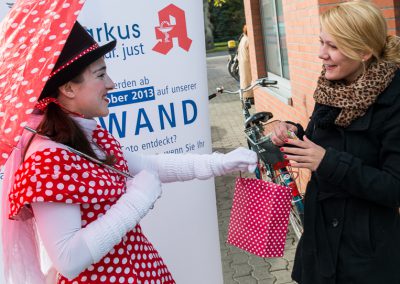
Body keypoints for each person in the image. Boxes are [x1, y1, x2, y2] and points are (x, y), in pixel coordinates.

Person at [1, 22, 258, 284]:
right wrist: (136, 200)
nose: (111, 84)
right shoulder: (47, 160)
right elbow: (68, 259)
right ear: (68, 88)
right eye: (100, 75)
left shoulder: (88, 135)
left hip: (143, 271)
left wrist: (221, 162)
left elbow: (152, 167)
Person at [271, 2, 400, 283]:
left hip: (365, 258)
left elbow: (394, 187)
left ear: (363, 51)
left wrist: (327, 161)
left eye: (332, 46)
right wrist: (292, 133)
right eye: (321, 42)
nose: (321, 54)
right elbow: (319, 143)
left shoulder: (394, 101)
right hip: (319, 246)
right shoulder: (330, 89)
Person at [237, 25, 254, 101]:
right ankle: (249, 97)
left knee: (244, 80)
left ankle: (246, 97)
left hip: (242, 61)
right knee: (248, 80)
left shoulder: (243, 38)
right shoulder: (248, 40)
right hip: (246, 62)